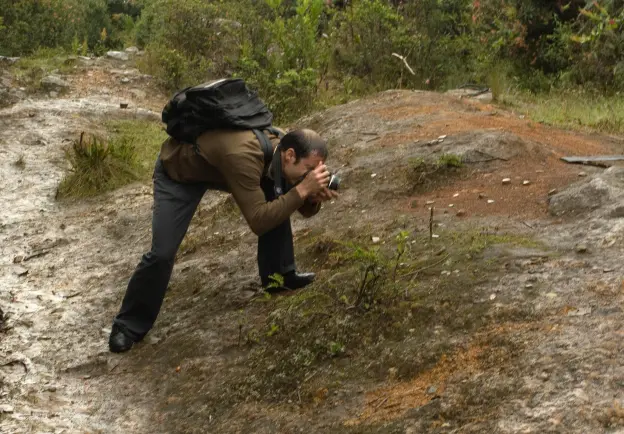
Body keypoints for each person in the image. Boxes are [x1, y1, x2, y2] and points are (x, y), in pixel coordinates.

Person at [108, 127, 337, 353]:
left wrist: (311, 196)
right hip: (179, 172)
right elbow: (258, 221)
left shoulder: (284, 150)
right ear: (290, 156)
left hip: (224, 169)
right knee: (163, 252)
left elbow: (300, 207)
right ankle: (128, 326)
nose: (310, 176)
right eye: (308, 169)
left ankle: (280, 276)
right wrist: (302, 190)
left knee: (276, 195)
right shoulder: (243, 156)